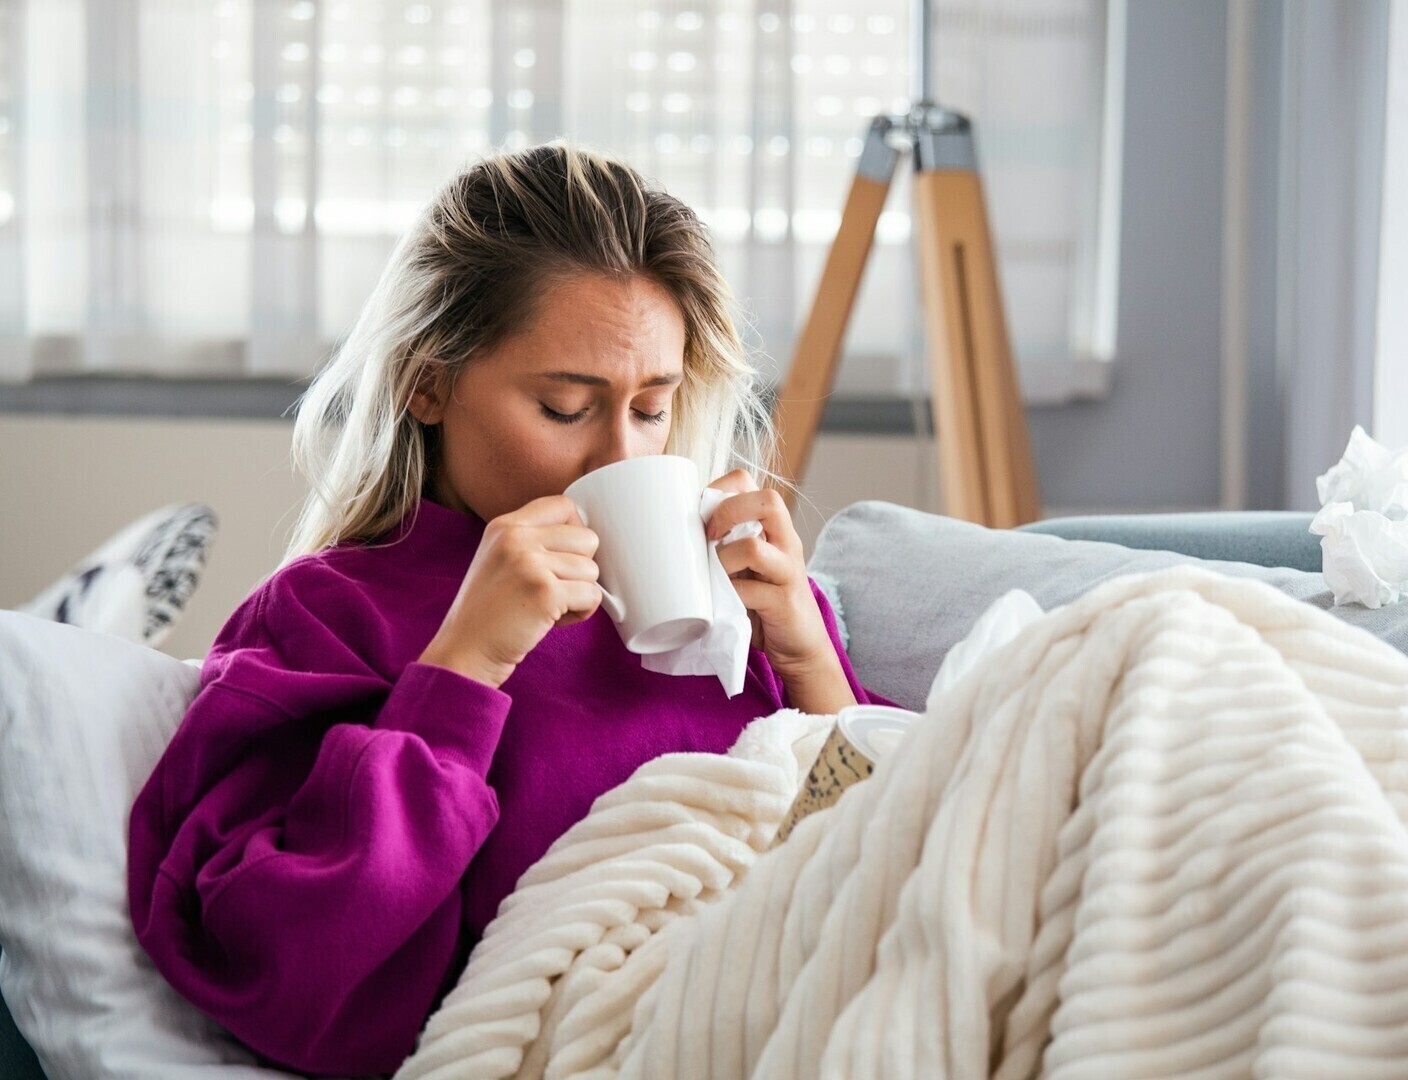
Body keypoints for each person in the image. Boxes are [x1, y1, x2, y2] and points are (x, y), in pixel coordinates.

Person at [126, 143, 891, 1077]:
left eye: (652, 410)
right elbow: (282, 977)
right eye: (567, 408)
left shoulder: (735, 602)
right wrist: (462, 671)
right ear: (428, 380)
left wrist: (812, 661)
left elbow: (898, 846)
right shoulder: (328, 614)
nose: (620, 457)